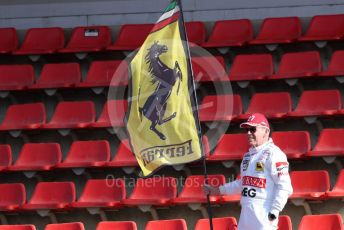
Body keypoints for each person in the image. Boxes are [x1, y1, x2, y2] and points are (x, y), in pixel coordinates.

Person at [203, 113, 293, 230]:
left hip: (264, 218)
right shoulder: (247, 156)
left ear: (266, 131)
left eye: (253, 129)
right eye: (247, 130)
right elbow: (242, 183)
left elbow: (285, 187)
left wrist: (274, 211)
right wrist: (217, 190)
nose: (249, 133)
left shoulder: (274, 153)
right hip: (246, 217)